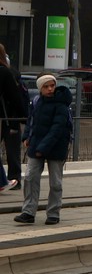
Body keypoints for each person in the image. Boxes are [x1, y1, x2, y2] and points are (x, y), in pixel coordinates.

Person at [13, 74, 72, 224]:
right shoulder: (37, 101)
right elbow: (31, 121)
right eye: (46, 86)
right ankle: (28, 212)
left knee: (55, 182)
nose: (50, 89)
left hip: (56, 146)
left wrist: (42, 148)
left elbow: (57, 129)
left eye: (52, 85)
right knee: (30, 177)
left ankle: (53, 213)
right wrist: (26, 137)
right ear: (40, 88)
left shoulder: (61, 104)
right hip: (37, 144)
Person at [0, 43, 26, 190]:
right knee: (12, 150)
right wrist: (24, 116)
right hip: (10, 118)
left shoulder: (6, 73)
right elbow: (16, 97)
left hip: (7, 117)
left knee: (12, 150)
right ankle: (14, 179)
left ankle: (9, 179)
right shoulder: (8, 72)